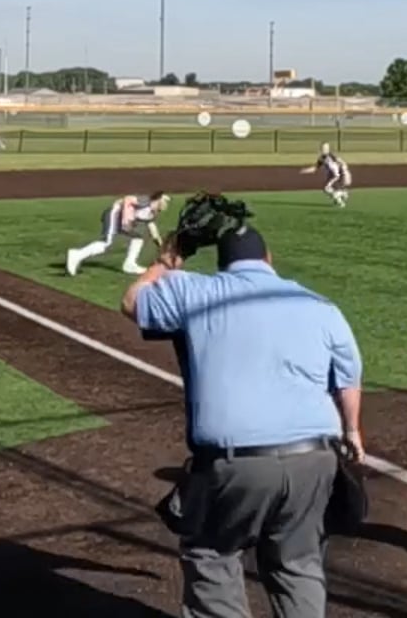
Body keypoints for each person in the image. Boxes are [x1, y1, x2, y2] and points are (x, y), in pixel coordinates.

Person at [123, 195, 369, 618]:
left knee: (213, 556)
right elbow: (348, 377)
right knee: (298, 563)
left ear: (223, 264)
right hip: (314, 458)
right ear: (269, 260)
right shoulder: (319, 305)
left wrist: (169, 259)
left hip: (234, 465)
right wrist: (352, 432)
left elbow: (132, 301)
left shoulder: (194, 290)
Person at [66, 192, 169, 276]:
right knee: (106, 243)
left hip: (123, 221)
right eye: (164, 201)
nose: (166, 205)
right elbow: (128, 199)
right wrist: (126, 217)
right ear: (158, 199)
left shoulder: (152, 213)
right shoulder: (145, 201)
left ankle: (130, 264)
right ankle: (76, 255)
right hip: (114, 214)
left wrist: (161, 246)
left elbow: (153, 230)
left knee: (138, 238)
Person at [299, 143, 351, 208]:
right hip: (331, 176)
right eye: (323, 148)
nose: (324, 150)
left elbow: (342, 163)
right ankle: (342, 194)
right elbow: (315, 168)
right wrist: (305, 170)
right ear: (321, 149)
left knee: (327, 189)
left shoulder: (331, 156)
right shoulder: (321, 158)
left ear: (328, 149)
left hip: (337, 176)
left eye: (326, 148)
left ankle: (340, 201)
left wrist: (346, 173)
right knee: (327, 189)